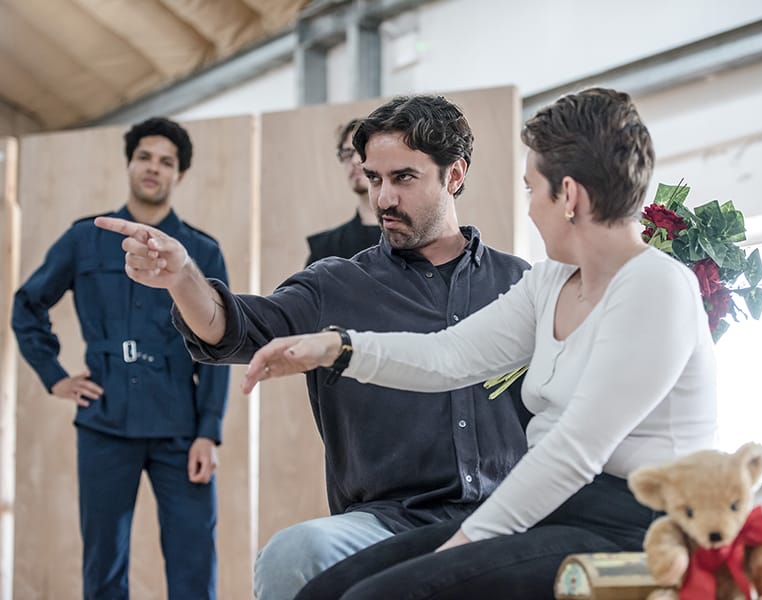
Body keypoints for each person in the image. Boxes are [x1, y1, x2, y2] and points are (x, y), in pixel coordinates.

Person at [238, 87, 720, 599]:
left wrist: (461, 548)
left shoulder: (654, 285)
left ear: (570, 196)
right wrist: (340, 348)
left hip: (634, 526)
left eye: (532, 189)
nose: (530, 208)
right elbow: (450, 356)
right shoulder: (553, 280)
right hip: (560, 512)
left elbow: (574, 451)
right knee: (325, 590)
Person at [94, 94, 532, 600]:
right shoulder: (336, 285)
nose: (383, 198)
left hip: (513, 518)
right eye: (374, 179)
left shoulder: (521, 285)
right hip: (387, 526)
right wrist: (183, 278)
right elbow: (231, 326)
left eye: (403, 178)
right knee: (292, 554)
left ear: (453, 176)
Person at [12, 117, 230, 599]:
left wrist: (208, 432)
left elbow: (219, 345)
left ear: (180, 175)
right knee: (103, 564)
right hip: (104, 425)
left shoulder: (201, 252)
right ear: (129, 164)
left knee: (194, 561)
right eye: (145, 157)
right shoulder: (82, 240)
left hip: (181, 429)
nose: (154, 168)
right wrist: (55, 377)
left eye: (166, 162)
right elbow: (27, 306)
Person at [304, 118, 382, 266]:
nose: (354, 161)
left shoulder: (413, 240)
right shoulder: (325, 248)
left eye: (361, 150)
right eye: (347, 153)